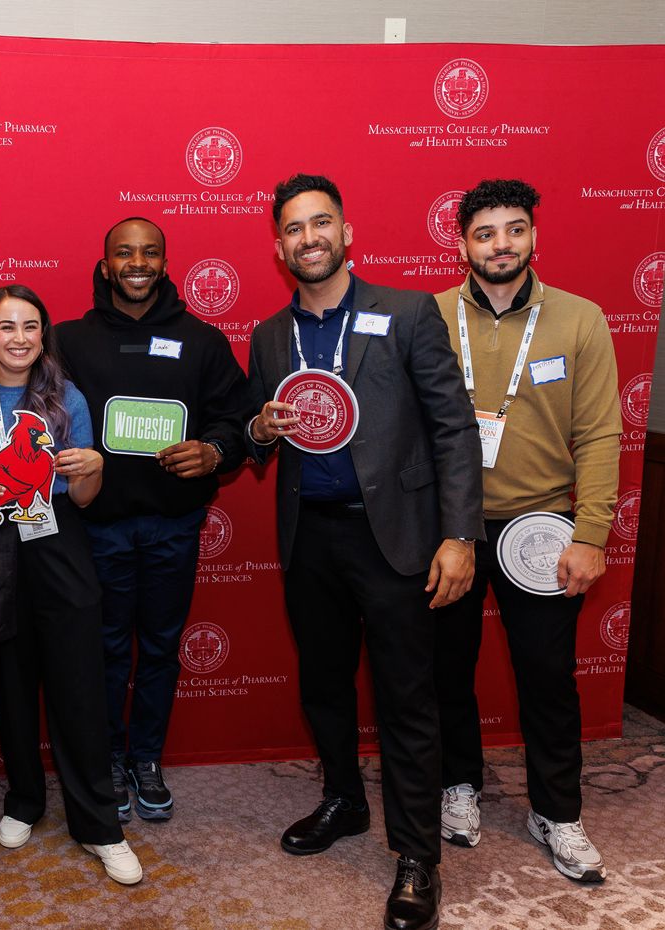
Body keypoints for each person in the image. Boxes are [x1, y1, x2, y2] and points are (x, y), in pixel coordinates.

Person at [244, 174, 483, 930]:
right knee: (324, 684)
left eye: (321, 223)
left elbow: (453, 428)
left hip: (398, 536)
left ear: (347, 233)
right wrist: (257, 431)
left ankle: (417, 856)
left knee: (407, 698)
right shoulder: (269, 336)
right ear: (279, 246)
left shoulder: (408, 312)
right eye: (293, 228)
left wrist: (460, 533)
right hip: (310, 534)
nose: (308, 237)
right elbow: (258, 441)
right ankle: (344, 799)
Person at [433, 179, 621, 883]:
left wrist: (592, 533)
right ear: (462, 245)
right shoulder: (429, 316)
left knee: (547, 675)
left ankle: (558, 811)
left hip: (541, 524)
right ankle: (460, 785)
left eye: (515, 229)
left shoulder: (579, 319)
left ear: (534, 238)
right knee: (447, 666)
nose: (501, 244)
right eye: (485, 233)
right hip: (448, 526)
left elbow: (601, 433)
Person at [0, 284, 142, 885]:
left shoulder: (67, 396)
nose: (19, 337)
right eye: (7, 326)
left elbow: (83, 495)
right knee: (13, 680)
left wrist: (95, 467)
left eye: (30, 326)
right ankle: (24, 799)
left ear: (42, 334)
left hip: (56, 540)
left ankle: (99, 825)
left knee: (78, 682)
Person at [55, 217, 249, 824]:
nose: (137, 263)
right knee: (107, 649)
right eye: (124, 253)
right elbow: (31, 415)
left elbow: (237, 421)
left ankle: (146, 759)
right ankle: (110, 758)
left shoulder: (203, 340)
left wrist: (214, 450)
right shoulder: (68, 340)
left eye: (149, 253)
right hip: (98, 527)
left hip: (173, 526)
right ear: (105, 263)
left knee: (162, 648)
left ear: (165, 263)